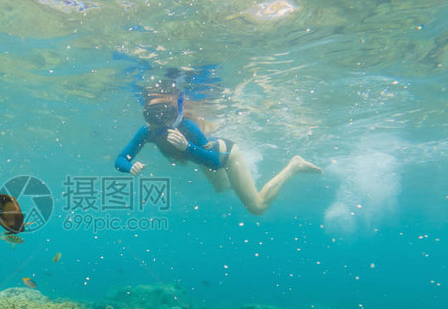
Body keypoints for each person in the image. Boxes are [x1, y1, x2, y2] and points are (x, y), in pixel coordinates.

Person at [114, 86, 322, 215]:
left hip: (225, 155)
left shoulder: (188, 127)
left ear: (174, 112)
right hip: (202, 158)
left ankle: (294, 165)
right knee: (223, 188)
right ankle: (246, 178)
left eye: (163, 112)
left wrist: (187, 146)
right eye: (151, 113)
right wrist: (129, 167)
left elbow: (214, 162)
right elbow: (121, 159)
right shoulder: (146, 131)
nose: (158, 119)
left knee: (257, 208)